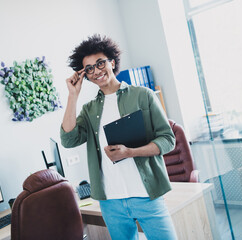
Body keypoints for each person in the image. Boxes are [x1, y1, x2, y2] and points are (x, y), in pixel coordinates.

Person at [60, 34, 177, 240]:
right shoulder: (89, 109)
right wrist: (72, 96)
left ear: (112, 62)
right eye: (89, 69)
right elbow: (69, 140)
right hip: (111, 202)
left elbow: (167, 139)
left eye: (100, 63)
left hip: (146, 195)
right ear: (85, 75)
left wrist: (131, 152)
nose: (96, 71)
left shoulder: (143, 95)